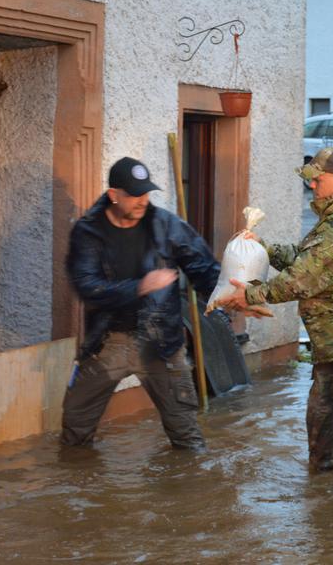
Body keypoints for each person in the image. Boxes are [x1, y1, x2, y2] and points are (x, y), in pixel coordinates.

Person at [219, 146, 333, 478]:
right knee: (321, 423)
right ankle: (325, 499)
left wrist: (250, 296)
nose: (312, 186)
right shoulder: (332, 220)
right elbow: (303, 258)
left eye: (318, 180)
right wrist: (263, 248)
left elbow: (300, 280)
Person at [62, 156, 220, 451]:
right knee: (75, 426)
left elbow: (204, 267)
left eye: (146, 193)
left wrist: (232, 297)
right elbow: (86, 286)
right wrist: (140, 287)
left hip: (161, 343)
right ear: (113, 195)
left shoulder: (165, 225)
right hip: (107, 343)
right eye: (135, 194)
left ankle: (191, 491)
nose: (142, 201)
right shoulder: (87, 231)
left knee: (187, 435)